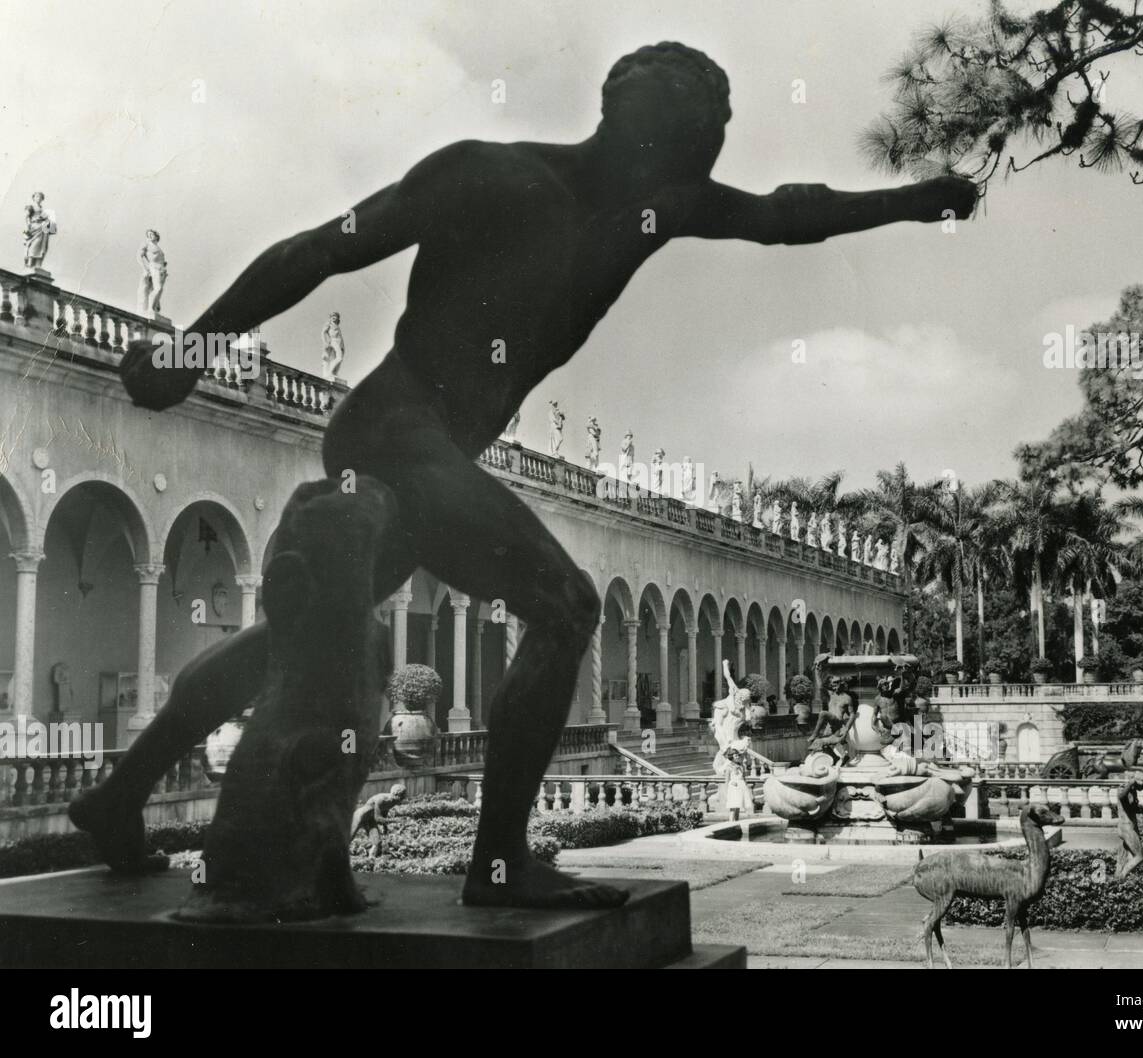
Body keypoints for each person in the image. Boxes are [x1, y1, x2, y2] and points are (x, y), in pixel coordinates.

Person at [70, 41, 978, 910]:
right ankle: (499, 863)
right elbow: (322, 247)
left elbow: (785, 214)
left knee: (294, 637)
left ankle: (123, 792)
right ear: (628, 120)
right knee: (568, 603)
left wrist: (909, 201)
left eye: (704, 146)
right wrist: (193, 344)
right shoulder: (487, 173)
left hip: (431, 453)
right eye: (685, 137)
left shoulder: (652, 206)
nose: (696, 164)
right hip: (394, 429)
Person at [350, 782, 407, 858]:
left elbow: (384, 811)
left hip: (370, 819)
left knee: (377, 843)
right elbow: (378, 819)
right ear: (396, 795)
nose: (403, 799)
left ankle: (371, 861)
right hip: (360, 816)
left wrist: (385, 827)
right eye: (402, 796)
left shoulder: (393, 801)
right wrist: (396, 820)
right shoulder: (382, 800)